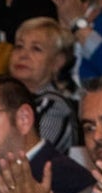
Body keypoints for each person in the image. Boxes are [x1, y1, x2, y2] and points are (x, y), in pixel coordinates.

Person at [9, 17, 78, 150]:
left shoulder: (54, 106)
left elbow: (29, 154)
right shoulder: (2, 98)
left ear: (58, 62)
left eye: (36, 49)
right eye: (19, 46)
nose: (23, 55)